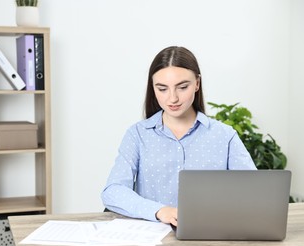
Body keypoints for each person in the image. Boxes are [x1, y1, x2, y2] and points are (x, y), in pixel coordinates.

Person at [101, 46, 256, 227]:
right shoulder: (137, 134)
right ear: (153, 87)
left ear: (197, 83)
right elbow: (113, 191)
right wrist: (159, 211)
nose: (172, 98)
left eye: (182, 87)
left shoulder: (224, 136)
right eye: (162, 89)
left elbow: (252, 193)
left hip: (209, 234)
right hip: (152, 239)